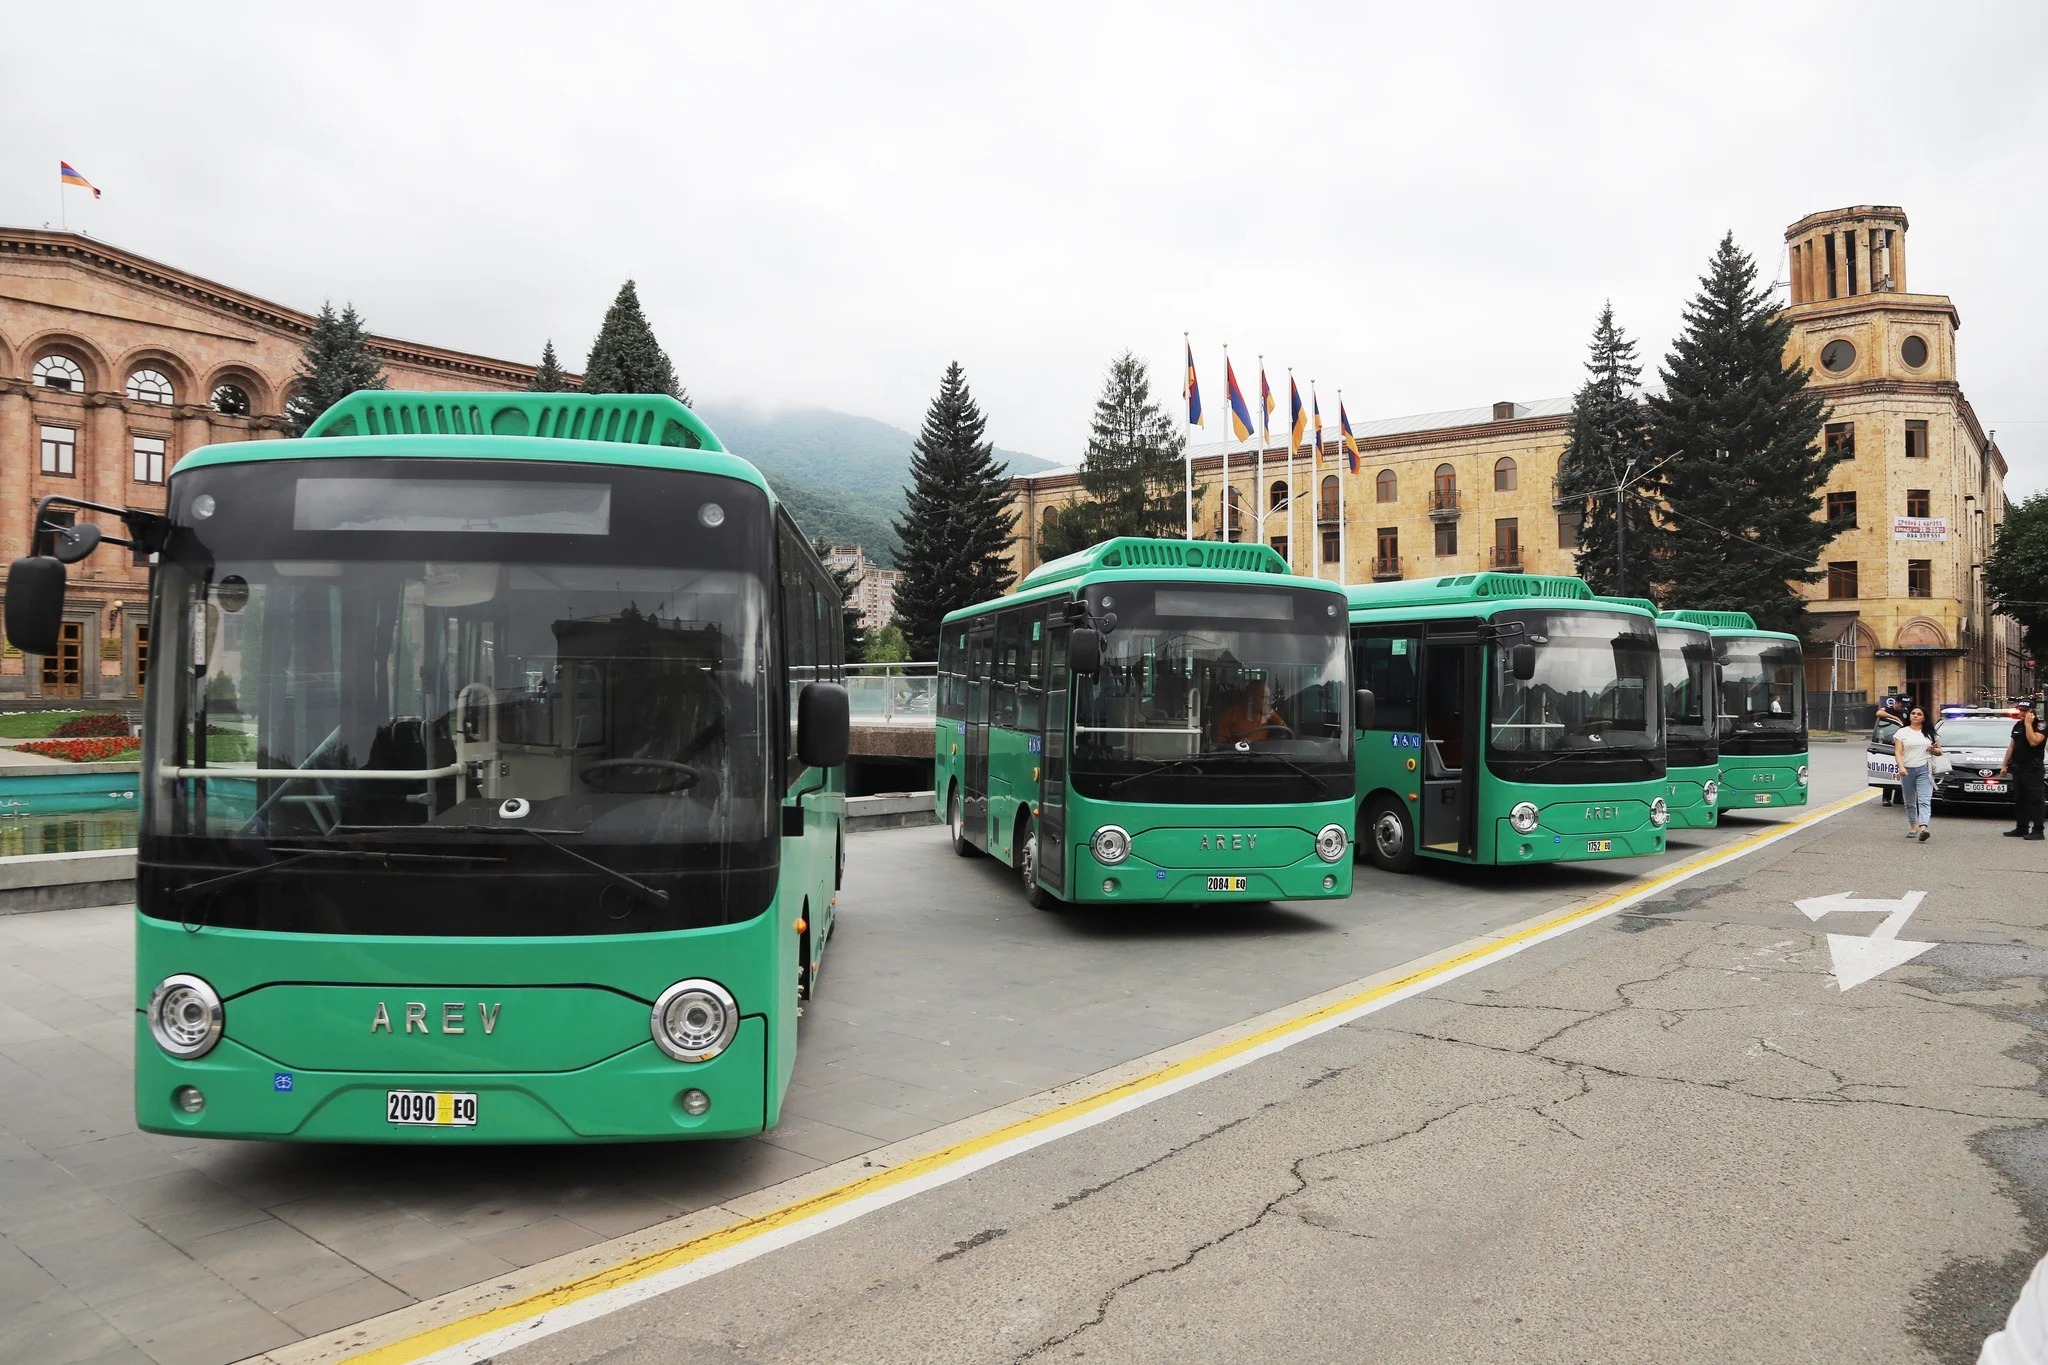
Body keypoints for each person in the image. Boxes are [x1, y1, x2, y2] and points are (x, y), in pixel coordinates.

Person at [1996, 698, 2046, 840]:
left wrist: (2028, 724)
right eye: (2020, 710)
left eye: (2025, 711)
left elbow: (2034, 741)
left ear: (2033, 711)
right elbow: (2011, 746)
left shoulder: (2041, 725)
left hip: (2033, 768)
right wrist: (2004, 765)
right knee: (2020, 799)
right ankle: (2022, 827)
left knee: (2036, 799)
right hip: (2018, 768)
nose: (2022, 713)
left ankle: (2038, 830)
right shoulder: (2017, 725)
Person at [1894, 705, 1942, 841]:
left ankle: (1923, 828)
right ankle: (1913, 826)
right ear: (1909, 716)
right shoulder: (1902, 732)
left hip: (1924, 769)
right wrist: (1901, 767)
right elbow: (1898, 752)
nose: (1915, 715)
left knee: (1924, 800)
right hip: (1907, 770)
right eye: (1913, 713)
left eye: (1919, 714)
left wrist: (1933, 750)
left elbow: (1939, 751)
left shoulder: (1930, 733)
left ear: (1924, 718)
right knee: (1909, 801)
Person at [1213, 679, 1286, 745]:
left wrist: (1272, 715)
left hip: (1266, 756)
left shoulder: (1268, 714)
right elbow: (1220, 745)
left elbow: (1285, 731)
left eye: (1268, 698)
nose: (1267, 702)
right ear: (1251, 698)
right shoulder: (1231, 715)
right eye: (1263, 697)